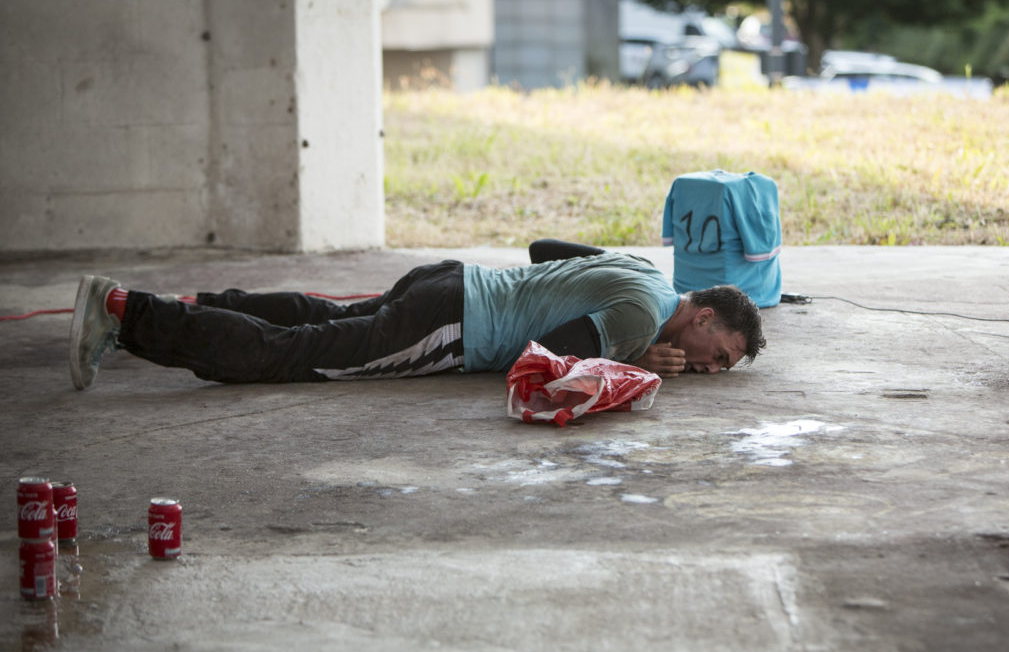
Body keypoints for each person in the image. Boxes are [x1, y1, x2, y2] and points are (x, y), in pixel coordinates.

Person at [68, 240, 765, 390]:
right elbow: (545, 361)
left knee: (320, 317)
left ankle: (197, 309)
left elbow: (545, 251)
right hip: (453, 325)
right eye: (721, 355)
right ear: (704, 318)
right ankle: (126, 314)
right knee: (292, 354)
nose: (713, 368)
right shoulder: (641, 320)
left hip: (450, 280)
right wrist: (633, 363)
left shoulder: (648, 274)